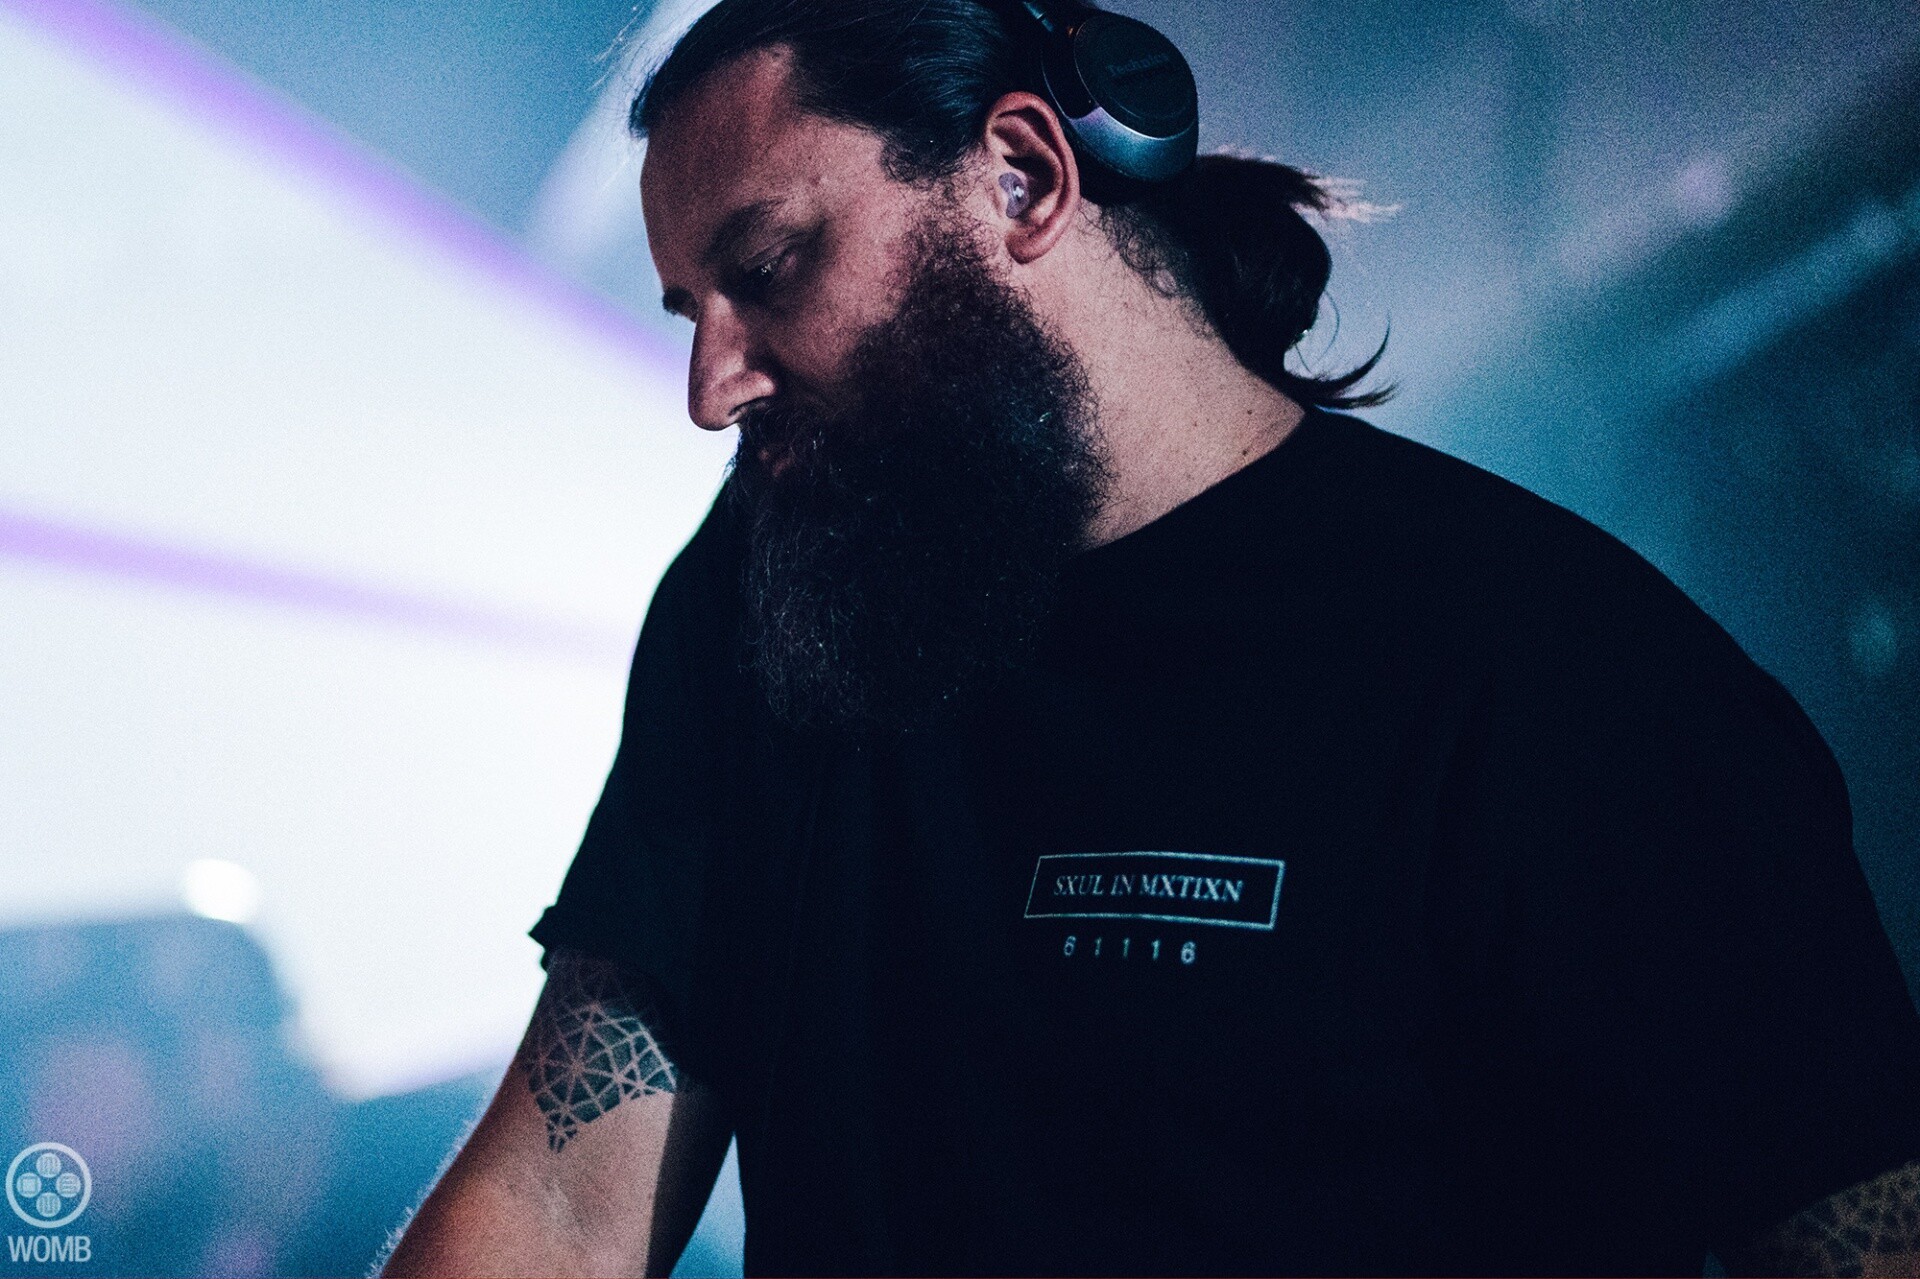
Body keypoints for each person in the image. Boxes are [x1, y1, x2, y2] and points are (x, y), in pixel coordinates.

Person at [380, 1, 1920, 1273]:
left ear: (1024, 178)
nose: (711, 387)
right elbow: (564, 1208)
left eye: (771, 267)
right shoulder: (760, 604)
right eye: (690, 311)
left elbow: (1851, 1234)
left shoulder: (1558, 666)